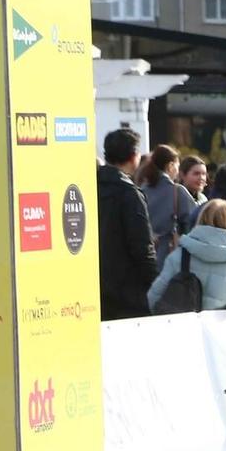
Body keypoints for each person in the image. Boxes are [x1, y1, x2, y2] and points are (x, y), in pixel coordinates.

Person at [97, 128, 160, 321]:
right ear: (134, 156)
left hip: (95, 287)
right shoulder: (129, 193)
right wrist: (154, 281)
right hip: (128, 291)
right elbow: (141, 245)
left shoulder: (90, 186)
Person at [148, 198, 226, 314]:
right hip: (214, 329)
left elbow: (154, 296)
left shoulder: (181, 255)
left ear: (202, 217)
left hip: (182, 326)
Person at [137, 144, 185, 262]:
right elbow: (194, 221)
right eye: (177, 167)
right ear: (170, 166)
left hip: (143, 258)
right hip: (169, 256)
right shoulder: (177, 191)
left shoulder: (140, 191)